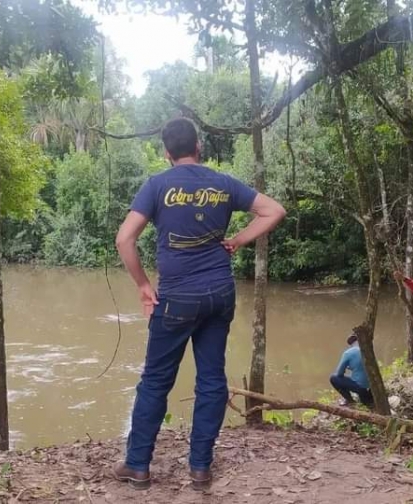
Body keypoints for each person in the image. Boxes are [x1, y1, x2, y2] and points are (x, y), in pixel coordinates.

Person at [113, 118, 286, 491]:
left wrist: (144, 285)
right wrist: (237, 240)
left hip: (175, 297)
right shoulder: (223, 183)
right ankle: (200, 467)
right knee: (211, 378)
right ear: (199, 147)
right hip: (219, 294)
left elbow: (125, 239)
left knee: (156, 381)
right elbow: (274, 211)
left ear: (166, 152)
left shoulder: (157, 185)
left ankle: (138, 465)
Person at [329, 334, 373, 408]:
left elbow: (339, 373)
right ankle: (368, 400)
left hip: (361, 390)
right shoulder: (368, 349)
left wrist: (347, 368)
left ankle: (350, 401)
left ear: (350, 344)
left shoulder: (348, 353)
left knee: (333, 378)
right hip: (372, 389)